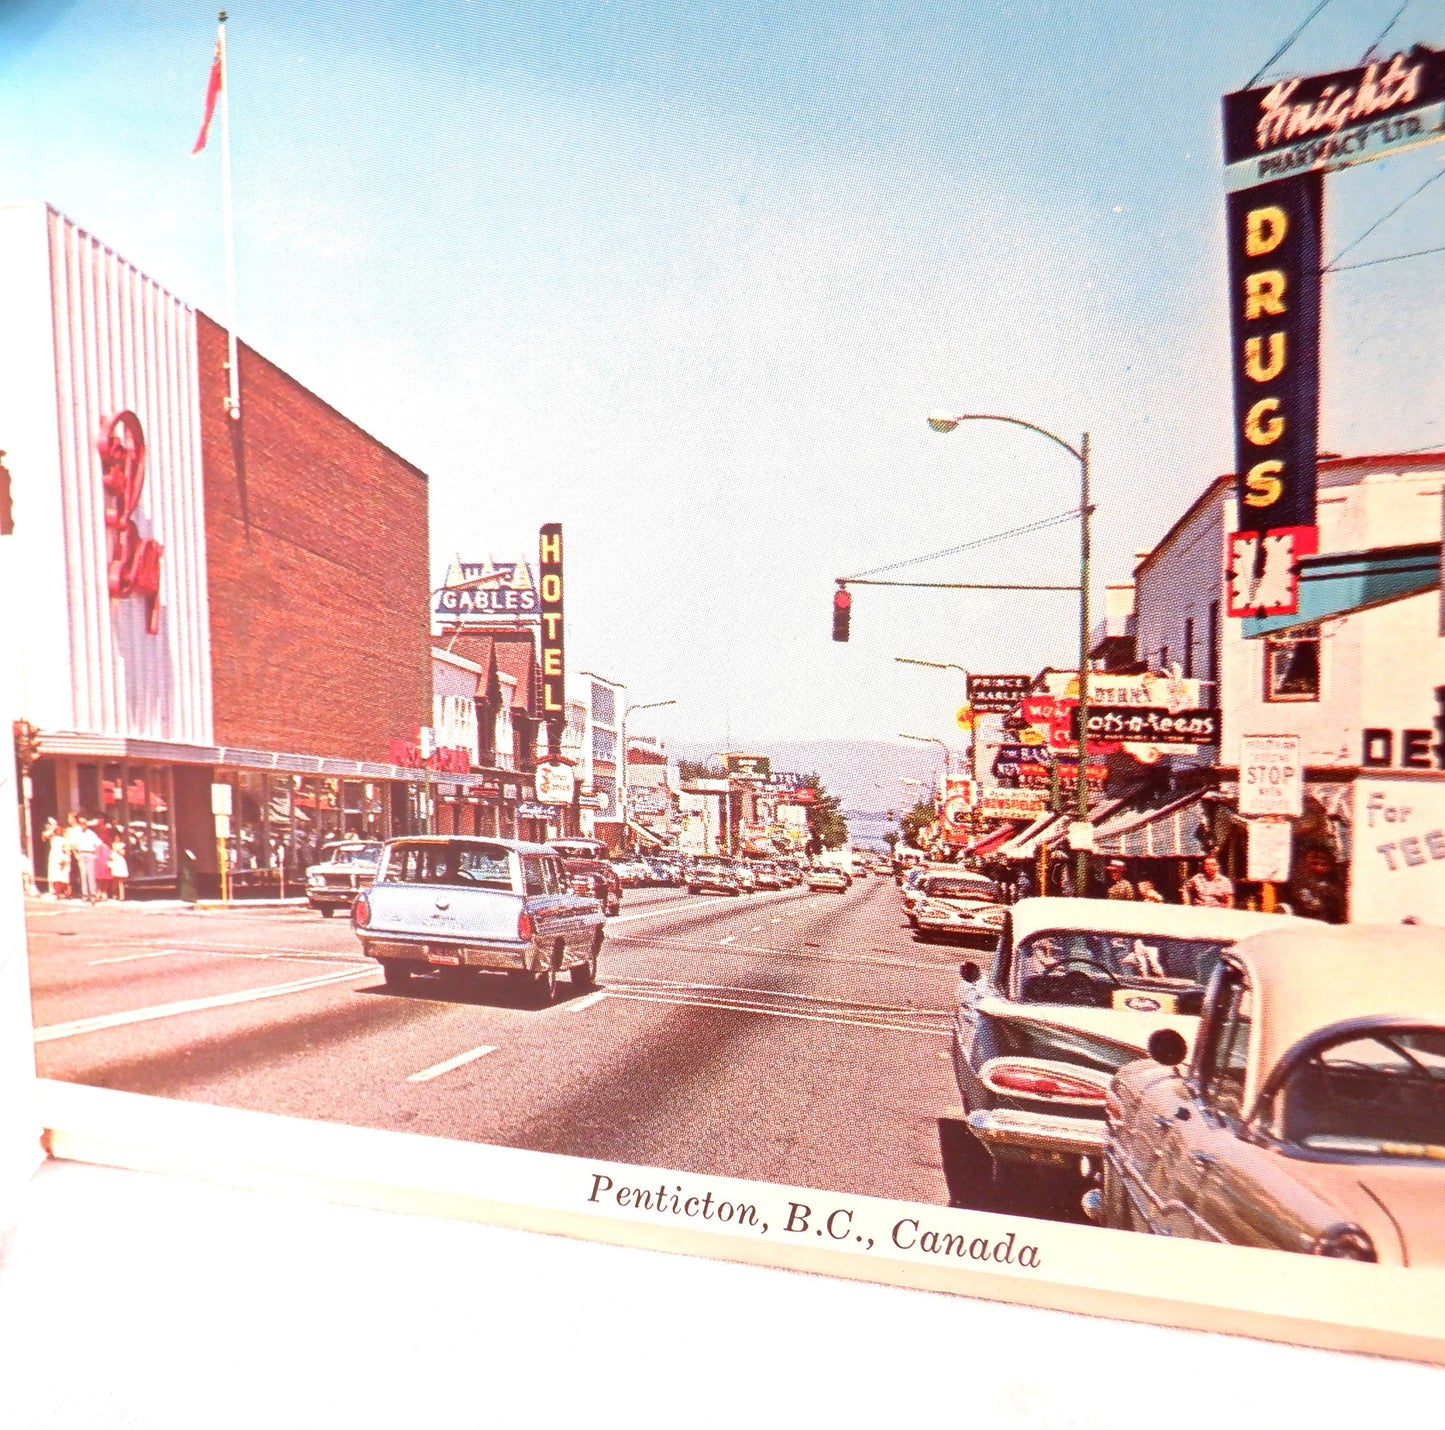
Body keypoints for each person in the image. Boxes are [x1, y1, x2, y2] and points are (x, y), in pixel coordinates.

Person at [1288, 846, 1345, 924]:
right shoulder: (1299, 881)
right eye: (1314, 863)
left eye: (1324, 864)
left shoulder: (1335, 881)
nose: (1319, 867)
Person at [70, 817, 103, 903]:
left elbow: (100, 844)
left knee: (91, 875)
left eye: (84, 823)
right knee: (83, 875)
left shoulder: (91, 834)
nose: (82, 825)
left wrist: (97, 855)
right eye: (81, 823)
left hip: (90, 854)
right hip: (81, 854)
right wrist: (76, 854)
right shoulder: (78, 834)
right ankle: (85, 894)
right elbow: (73, 845)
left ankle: (93, 894)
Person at [110, 836, 130, 901]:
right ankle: (114, 894)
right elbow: (110, 855)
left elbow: (123, 853)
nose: (117, 839)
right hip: (115, 862)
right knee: (115, 880)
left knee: (121, 881)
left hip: (120, 863)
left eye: (118, 837)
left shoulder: (122, 845)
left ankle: (122, 896)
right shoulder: (112, 846)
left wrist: (118, 850)